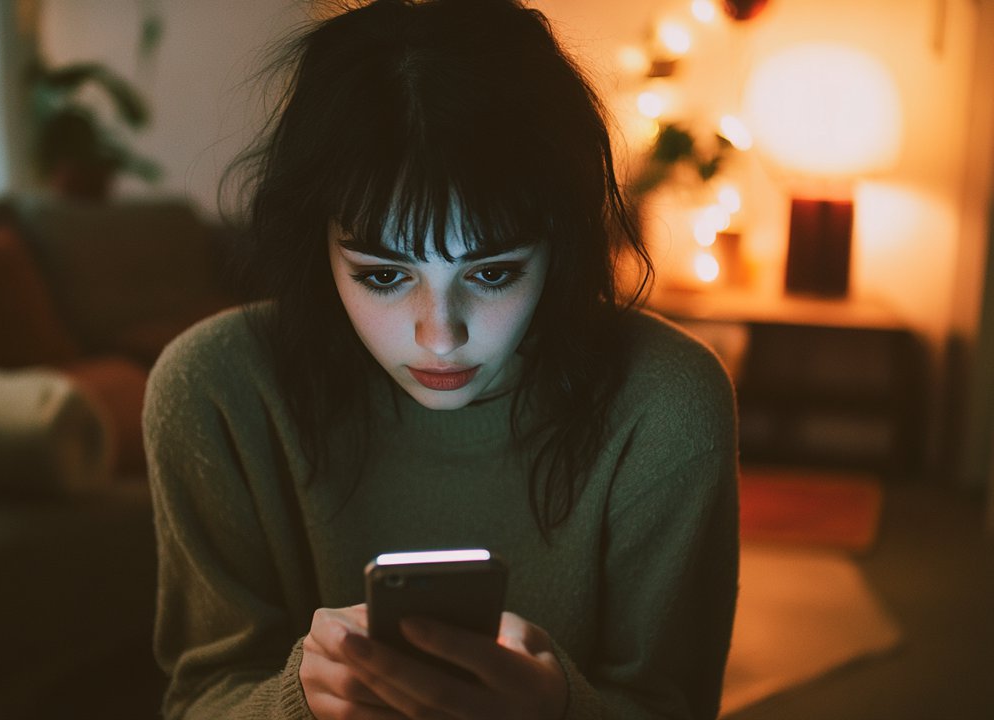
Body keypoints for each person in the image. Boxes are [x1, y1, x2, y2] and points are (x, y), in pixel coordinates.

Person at [142, 0, 739, 718]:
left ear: (562, 245)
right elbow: (198, 700)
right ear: (318, 246)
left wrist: (559, 710)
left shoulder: (666, 405)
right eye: (384, 275)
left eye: (492, 273)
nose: (440, 336)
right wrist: (300, 697)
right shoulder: (214, 391)